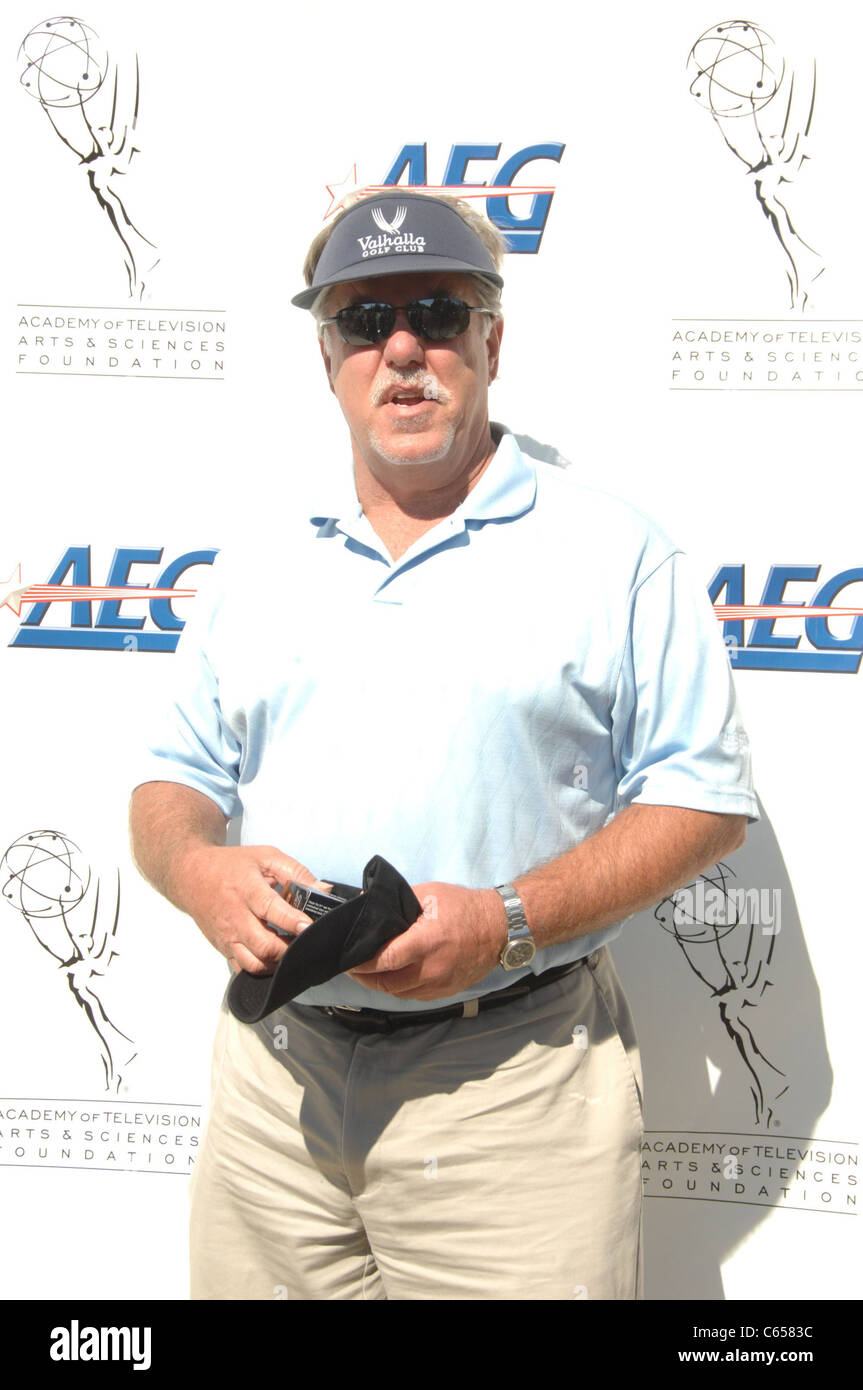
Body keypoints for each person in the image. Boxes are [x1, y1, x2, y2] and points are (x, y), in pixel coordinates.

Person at [129, 190, 758, 1301]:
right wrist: (195, 868)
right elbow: (171, 780)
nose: (403, 350)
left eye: (436, 311)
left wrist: (503, 921)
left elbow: (700, 800)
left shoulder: (613, 552)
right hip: (274, 1098)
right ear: (327, 356)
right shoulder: (256, 564)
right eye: (365, 323)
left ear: (492, 341)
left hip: (508, 1099)